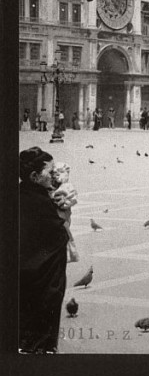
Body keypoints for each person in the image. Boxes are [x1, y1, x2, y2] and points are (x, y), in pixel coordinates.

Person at [19, 147, 70, 353]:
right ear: (34, 176)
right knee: (40, 339)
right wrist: (64, 210)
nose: (54, 176)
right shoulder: (40, 202)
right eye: (49, 172)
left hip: (25, 277)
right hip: (43, 281)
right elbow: (60, 234)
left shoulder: (23, 193)